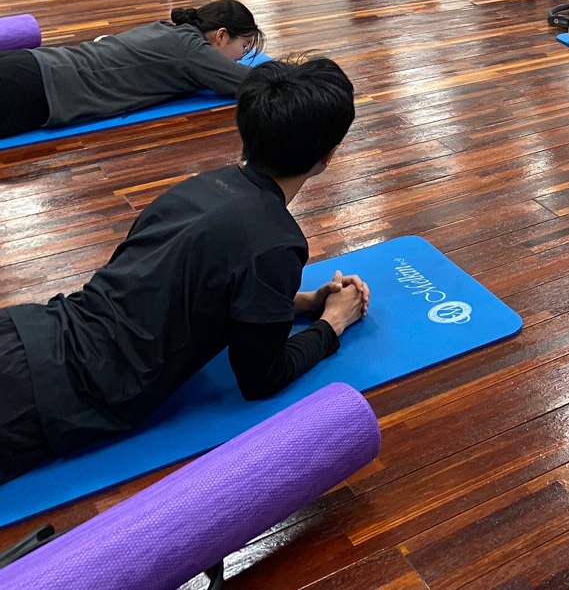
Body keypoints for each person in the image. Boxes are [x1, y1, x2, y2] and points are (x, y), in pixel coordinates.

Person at [0, 57, 369, 484]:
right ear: (327, 156)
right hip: (54, 398)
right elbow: (262, 378)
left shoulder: (197, 186)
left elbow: (171, 287)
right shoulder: (276, 242)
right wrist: (332, 323)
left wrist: (299, 302)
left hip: (28, 331)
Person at [0, 0, 262, 141]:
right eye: (244, 45)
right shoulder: (193, 51)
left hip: (31, 64)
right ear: (221, 35)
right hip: (37, 90)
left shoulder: (164, 29)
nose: (242, 56)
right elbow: (257, 82)